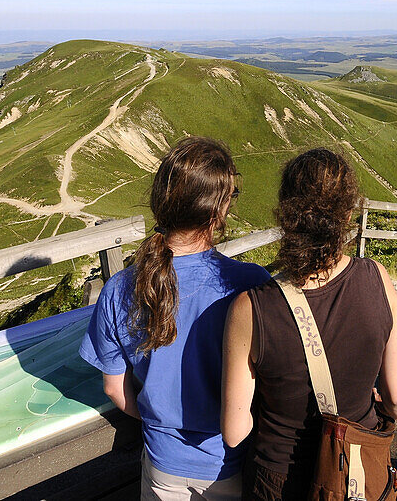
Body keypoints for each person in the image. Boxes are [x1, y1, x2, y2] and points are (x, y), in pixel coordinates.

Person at [80, 137, 270, 500]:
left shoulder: (118, 288)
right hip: (231, 464)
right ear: (218, 211)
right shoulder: (251, 285)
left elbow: (113, 388)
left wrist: (157, 422)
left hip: (161, 464)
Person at [221, 148, 397, 500]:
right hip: (355, 472)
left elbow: (234, 432)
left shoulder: (251, 308)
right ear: (349, 212)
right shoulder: (377, 279)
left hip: (278, 481)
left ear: (286, 214)